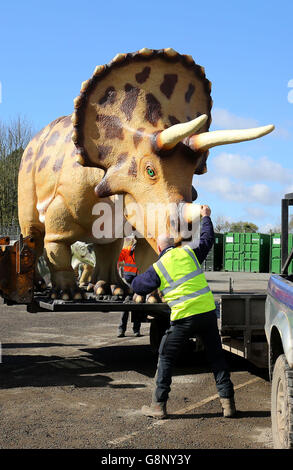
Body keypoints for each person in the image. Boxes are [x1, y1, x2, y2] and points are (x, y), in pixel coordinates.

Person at [131, 205, 236, 419]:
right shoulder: (189, 253)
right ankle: (228, 405)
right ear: (173, 245)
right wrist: (206, 217)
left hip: (183, 319)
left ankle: (158, 406)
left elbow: (138, 287)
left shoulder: (159, 266)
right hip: (207, 314)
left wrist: (129, 277)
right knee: (217, 358)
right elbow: (207, 239)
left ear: (160, 249)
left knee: (166, 357)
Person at [117, 235, 141, 337]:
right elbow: (117, 257)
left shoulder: (141, 252)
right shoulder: (127, 250)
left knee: (137, 304)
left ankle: (136, 330)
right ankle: (121, 330)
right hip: (129, 281)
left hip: (139, 279)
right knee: (126, 305)